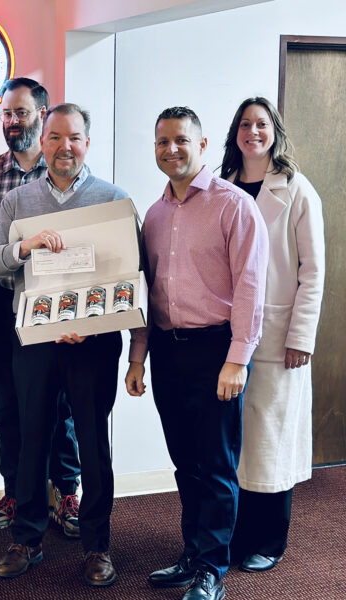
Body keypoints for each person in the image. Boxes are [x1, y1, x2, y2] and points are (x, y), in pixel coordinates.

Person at [0, 103, 128, 586]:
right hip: (35, 339)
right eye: (57, 137)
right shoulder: (18, 202)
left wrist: (93, 322)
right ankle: (26, 540)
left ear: (88, 142)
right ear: (43, 142)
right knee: (31, 438)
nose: (66, 147)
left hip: (94, 344)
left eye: (76, 138)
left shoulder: (112, 199)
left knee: (91, 442)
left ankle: (97, 546)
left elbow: (128, 277)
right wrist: (24, 248)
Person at [125, 106, 269, 600]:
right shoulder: (155, 214)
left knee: (216, 465)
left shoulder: (233, 206)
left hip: (216, 350)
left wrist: (237, 359)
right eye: (162, 141)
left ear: (202, 145)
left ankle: (213, 568)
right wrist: (138, 356)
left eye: (181, 141)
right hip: (167, 350)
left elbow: (251, 288)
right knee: (185, 462)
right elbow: (147, 293)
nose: (171, 150)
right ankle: (192, 554)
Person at [0, 78, 82, 536]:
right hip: (3, 308)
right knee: (7, 407)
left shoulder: (65, 171)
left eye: (21, 112)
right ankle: (17, 491)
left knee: (62, 406)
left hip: (55, 307)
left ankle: (67, 494)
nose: (11, 121)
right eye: (5, 114)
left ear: (43, 115)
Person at [220, 97, 325, 573]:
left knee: (272, 439)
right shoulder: (223, 187)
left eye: (261, 124)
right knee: (238, 440)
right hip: (230, 335)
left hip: (281, 336)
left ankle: (272, 540)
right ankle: (239, 534)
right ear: (235, 133)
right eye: (245, 124)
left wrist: (301, 335)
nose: (253, 132)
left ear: (274, 131)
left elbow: (314, 271)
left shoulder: (297, 190)